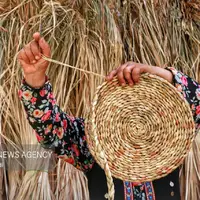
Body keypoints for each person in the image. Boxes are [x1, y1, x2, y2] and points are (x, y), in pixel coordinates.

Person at [17, 32, 200, 200]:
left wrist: (160, 73)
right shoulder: (92, 138)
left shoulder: (172, 136)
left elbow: (196, 102)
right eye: (124, 102)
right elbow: (51, 130)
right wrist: (35, 80)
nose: (133, 116)